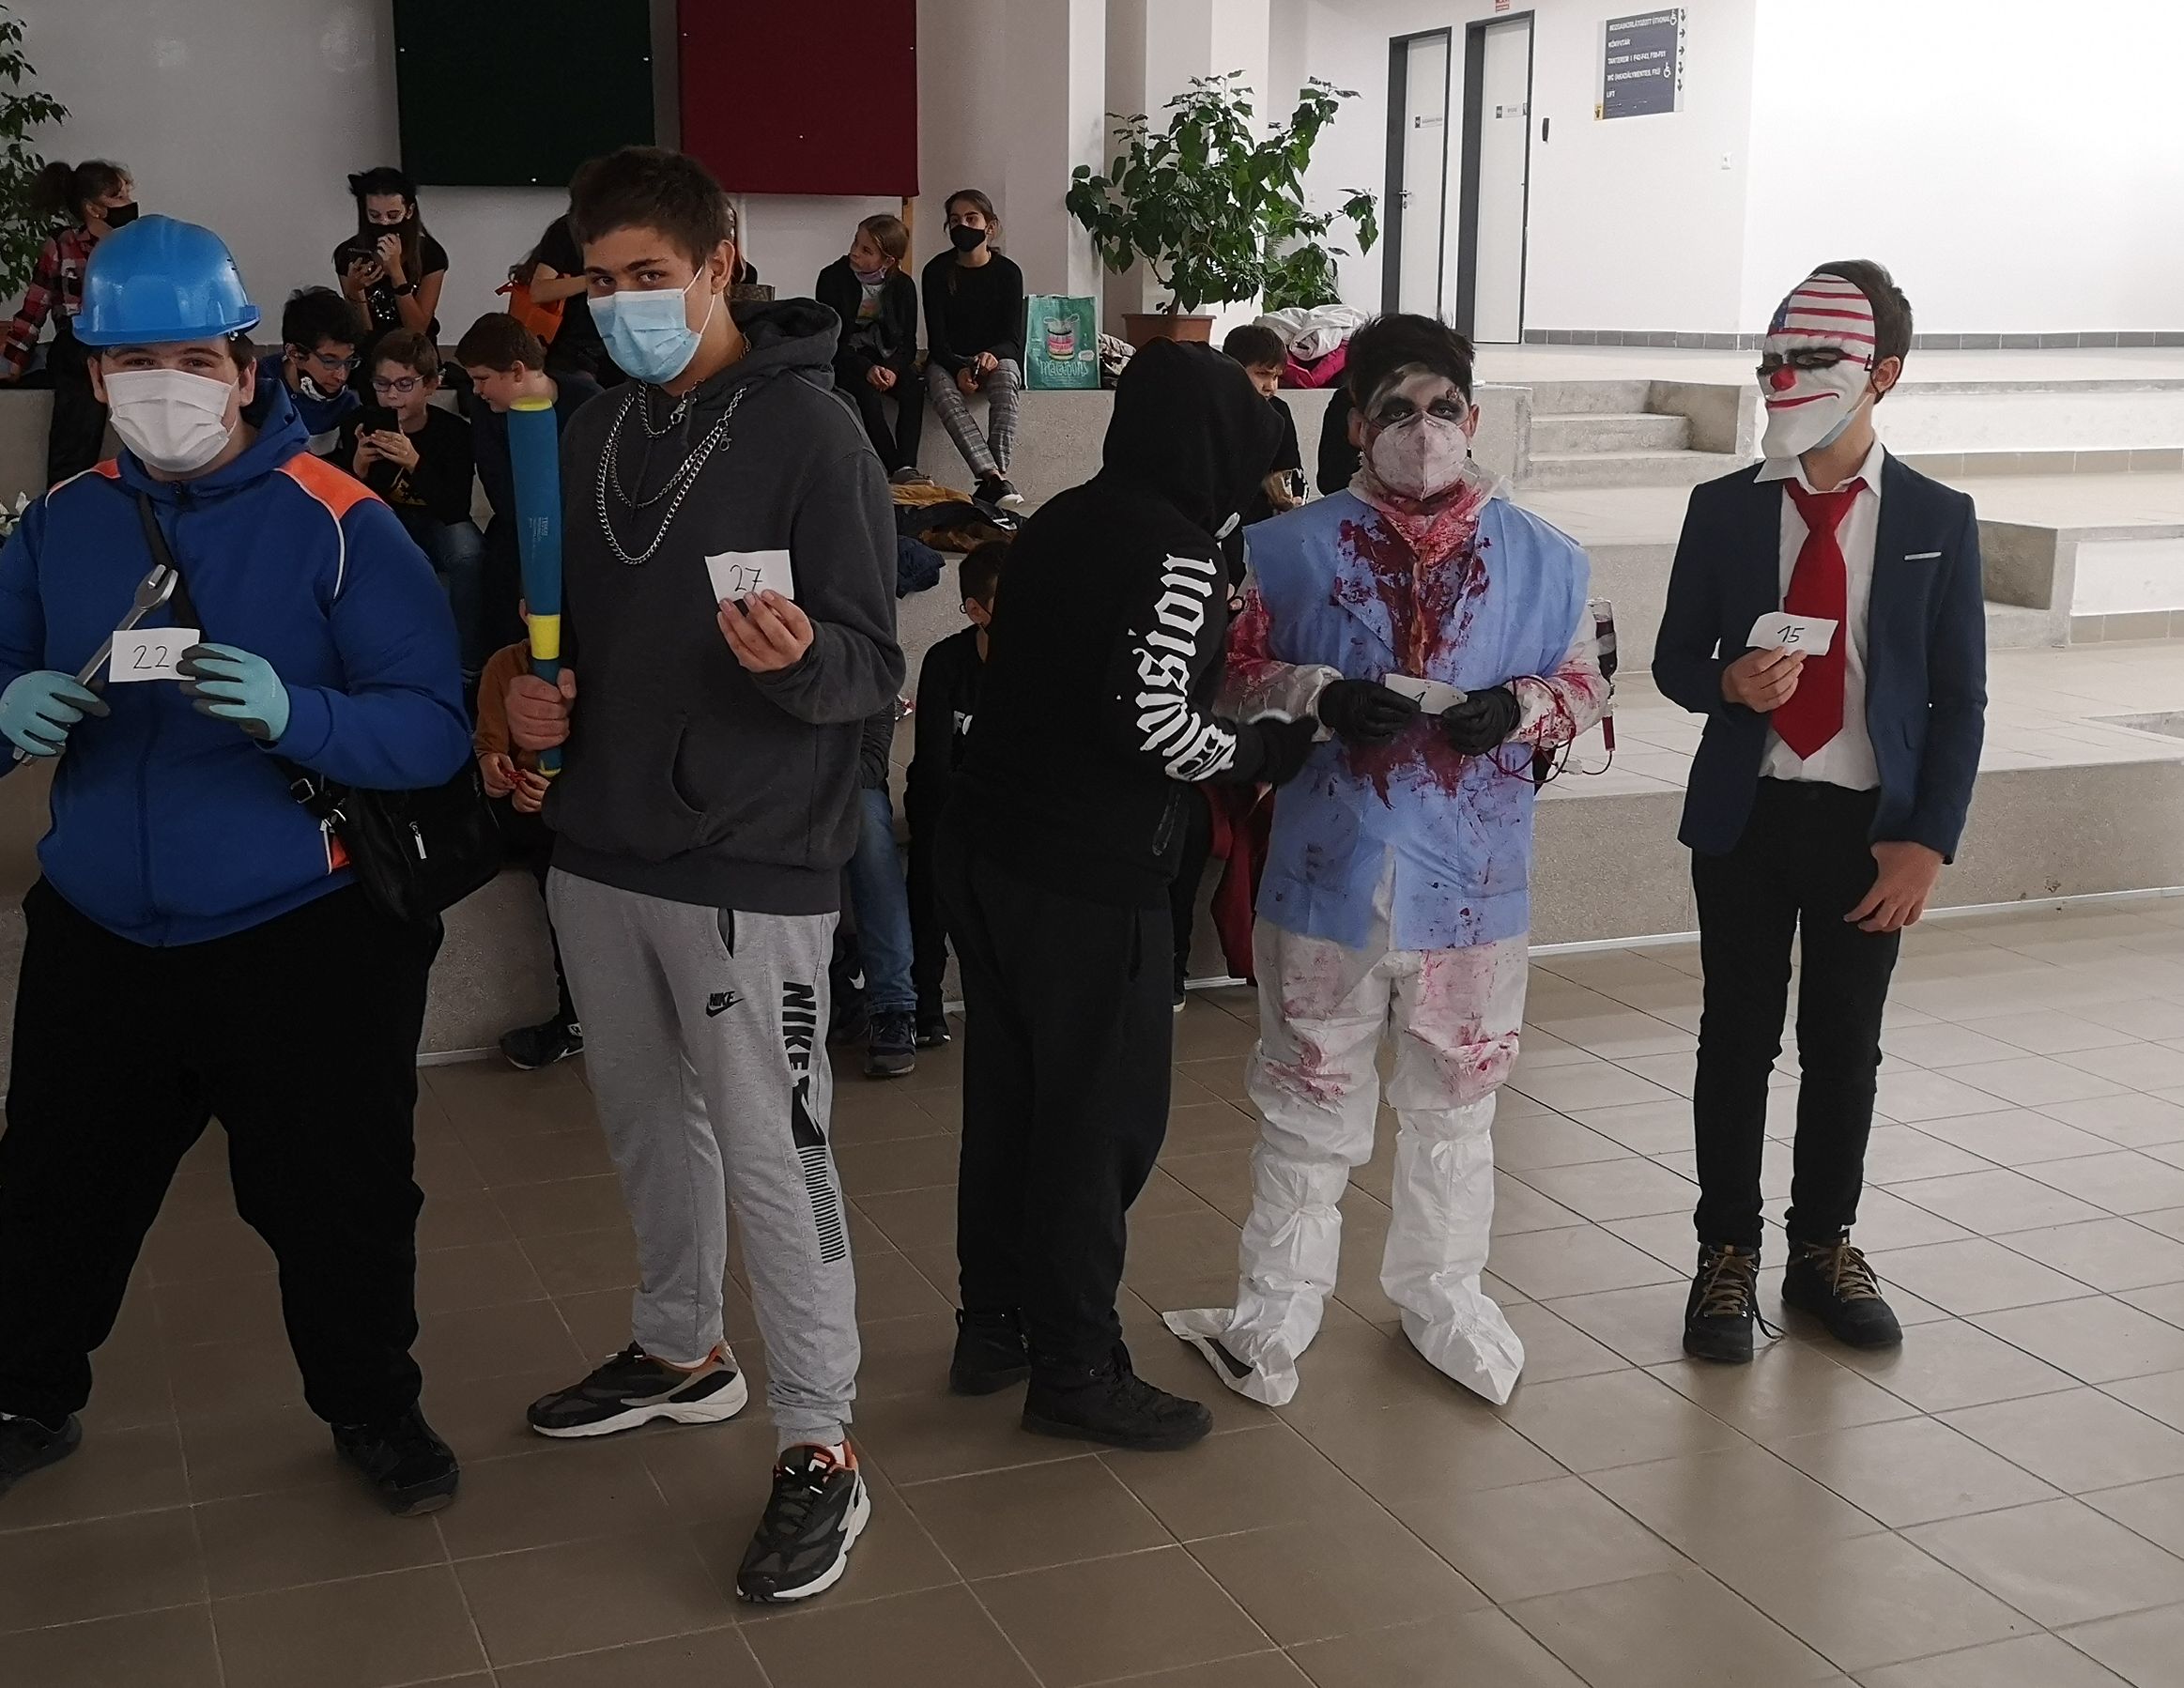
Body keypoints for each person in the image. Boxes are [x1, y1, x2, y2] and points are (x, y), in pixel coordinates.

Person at [0, 217, 470, 1513]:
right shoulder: (61, 526)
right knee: (53, 1184)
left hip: (301, 927)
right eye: (133, 359)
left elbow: (431, 728)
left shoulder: (339, 520)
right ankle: (25, 1388)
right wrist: (4, 710)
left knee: (339, 1196)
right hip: (101, 924)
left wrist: (296, 714)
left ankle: (373, 1405)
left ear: (245, 365)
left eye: (195, 357)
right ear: (95, 374)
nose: (166, 383)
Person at [501, 146, 900, 1604]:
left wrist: (799, 662)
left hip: (751, 860)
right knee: (645, 1129)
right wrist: (520, 702)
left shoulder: (814, 434)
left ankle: (821, 1440)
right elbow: (551, 638)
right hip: (600, 848)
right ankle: (682, 1346)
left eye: (649, 278)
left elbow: (869, 662)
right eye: (600, 282)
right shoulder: (597, 428)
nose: (621, 304)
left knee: (778, 1156)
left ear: (718, 266)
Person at [1164, 314, 1609, 1410]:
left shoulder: (1547, 558)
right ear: (1357, 422)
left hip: (1472, 887)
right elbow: (1228, 677)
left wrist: (1520, 707)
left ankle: (1443, 1292)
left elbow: (1587, 684)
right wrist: (1318, 695)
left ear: (1474, 415)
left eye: (1443, 407)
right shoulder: (1285, 550)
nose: (1423, 429)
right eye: (1397, 409)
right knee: (1306, 1100)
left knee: (1457, 1103)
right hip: (1328, 876)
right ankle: (1276, 1307)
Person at [937, 339, 1317, 1450]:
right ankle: (1075, 1364)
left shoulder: (1062, 516)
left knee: (1011, 1101)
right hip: (1086, 873)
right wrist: (1264, 752)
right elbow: (1148, 721)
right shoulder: (1178, 550)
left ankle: (995, 1322)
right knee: (1095, 1123)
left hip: (987, 846)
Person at [1654, 263, 1986, 1365]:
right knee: (1734, 1040)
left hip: (1866, 831)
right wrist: (1725, 681)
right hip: (1746, 818)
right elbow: (1672, 660)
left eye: (1811, 360)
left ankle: (1821, 1246)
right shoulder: (1724, 508)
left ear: (1880, 374)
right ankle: (1724, 1252)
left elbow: (1958, 699)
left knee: (1844, 1047)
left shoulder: (1936, 518)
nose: (1781, 380)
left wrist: (1926, 842)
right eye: (1773, 360)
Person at [334, 331, 485, 683]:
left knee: (469, 551)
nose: (391, 395)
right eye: (382, 384)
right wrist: (358, 468)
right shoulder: (359, 424)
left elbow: (455, 509)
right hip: (384, 523)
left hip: (436, 521)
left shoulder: (453, 433)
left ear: (430, 385)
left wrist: (415, 463)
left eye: (404, 384)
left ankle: (468, 663)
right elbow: (351, 507)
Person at [904, 540, 1007, 1048]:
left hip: (1010, 811)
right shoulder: (947, 661)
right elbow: (933, 763)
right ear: (976, 611)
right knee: (937, 861)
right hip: (947, 804)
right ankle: (924, 1002)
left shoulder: (1043, 665)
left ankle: (1004, 1003)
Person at [456, 312, 602, 661]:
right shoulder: (485, 411)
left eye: (482, 378)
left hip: (581, 531)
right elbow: (502, 494)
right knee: (502, 579)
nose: (476, 390)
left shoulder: (588, 401)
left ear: (518, 371)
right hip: (520, 528)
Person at [475, 624, 580, 1069]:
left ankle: (577, 1019)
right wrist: (495, 770)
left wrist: (563, 797)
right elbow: (490, 746)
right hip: (530, 809)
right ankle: (576, 1019)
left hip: (588, 811)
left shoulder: (605, 662)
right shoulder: (506, 664)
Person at [2, 160, 136, 486]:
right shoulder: (62, 246)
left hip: (124, 339)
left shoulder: (137, 244)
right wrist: (13, 361)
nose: (129, 203)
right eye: (118, 196)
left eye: (128, 193)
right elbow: (34, 309)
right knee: (80, 362)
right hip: (77, 341)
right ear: (93, 208)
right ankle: (66, 488)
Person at [921, 190, 1025, 509]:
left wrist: (992, 356)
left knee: (1008, 375)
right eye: (955, 220)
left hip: (993, 357)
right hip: (949, 359)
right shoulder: (935, 271)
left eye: (971, 218)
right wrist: (959, 368)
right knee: (940, 388)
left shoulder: (1008, 273)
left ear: (989, 226)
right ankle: (993, 478)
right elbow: (937, 343)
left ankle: (995, 475)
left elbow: (1013, 340)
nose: (962, 226)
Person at [838, 701, 921, 1078]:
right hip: (772, 788)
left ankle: (893, 1007)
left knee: (867, 824)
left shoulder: (868, 671)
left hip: (844, 785)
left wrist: (817, 787)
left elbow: (873, 763)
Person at [816, 215, 924, 478]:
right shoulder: (832, 278)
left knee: (914, 389)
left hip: (885, 356)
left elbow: (908, 343)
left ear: (888, 261)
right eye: (855, 242)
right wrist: (866, 368)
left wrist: (893, 369)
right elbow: (831, 339)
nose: (854, 252)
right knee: (866, 395)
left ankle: (908, 464)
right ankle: (894, 467)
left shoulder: (903, 286)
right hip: (846, 357)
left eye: (866, 250)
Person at [334, 167, 448, 368]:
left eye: (393, 215)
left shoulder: (430, 254)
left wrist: (397, 274)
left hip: (416, 356)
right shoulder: (348, 253)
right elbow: (363, 334)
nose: (384, 222)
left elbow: (417, 330)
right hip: (371, 356)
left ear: (409, 211)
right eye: (375, 215)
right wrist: (355, 291)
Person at [525, 209, 624, 388]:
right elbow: (539, 291)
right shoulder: (568, 229)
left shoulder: (634, 226)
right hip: (573, 349)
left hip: (617, 343)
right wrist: (595, 280)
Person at [256, 286, 363, 453]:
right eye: (330, 361)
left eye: (349, 361)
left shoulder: (349, 404)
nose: (341, 376)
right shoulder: (255, 388)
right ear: (295, 355)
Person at [1222, 324, 1306, 528]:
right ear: (1232, 369)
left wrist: (1292, 497)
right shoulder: (1216, 412)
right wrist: (1263, 483)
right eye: (1262, 374)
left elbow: (1293, 470)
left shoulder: (1278, 411)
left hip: (1265, 522)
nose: (1271, 387)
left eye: (1276, 377)